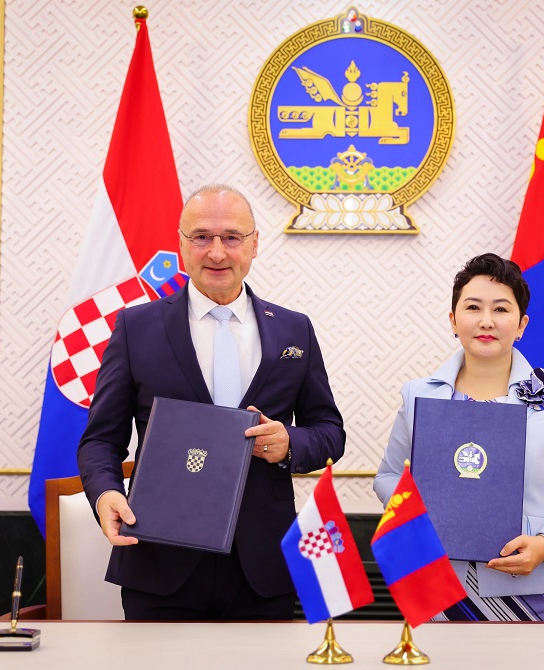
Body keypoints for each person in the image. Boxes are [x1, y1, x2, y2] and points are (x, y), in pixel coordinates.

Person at [78, 183, 345, 620]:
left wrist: (289, 443)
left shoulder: (294, 330)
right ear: (181, 244)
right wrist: (106, 492)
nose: (217, 252)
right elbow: (100, 440)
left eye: (232, 237)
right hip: (159, 558)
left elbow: (330, 433)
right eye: (202, 237)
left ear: (254, 244)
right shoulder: (135, 328)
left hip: (263, 566)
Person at [373, 253, 544, 621]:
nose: (486, 321)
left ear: (521, 324)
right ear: (453, 320)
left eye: (500, 309)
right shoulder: (419, 396)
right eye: (473, 307)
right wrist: (419, 515)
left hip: (533, 592)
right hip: (437, 587)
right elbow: (389, 476)